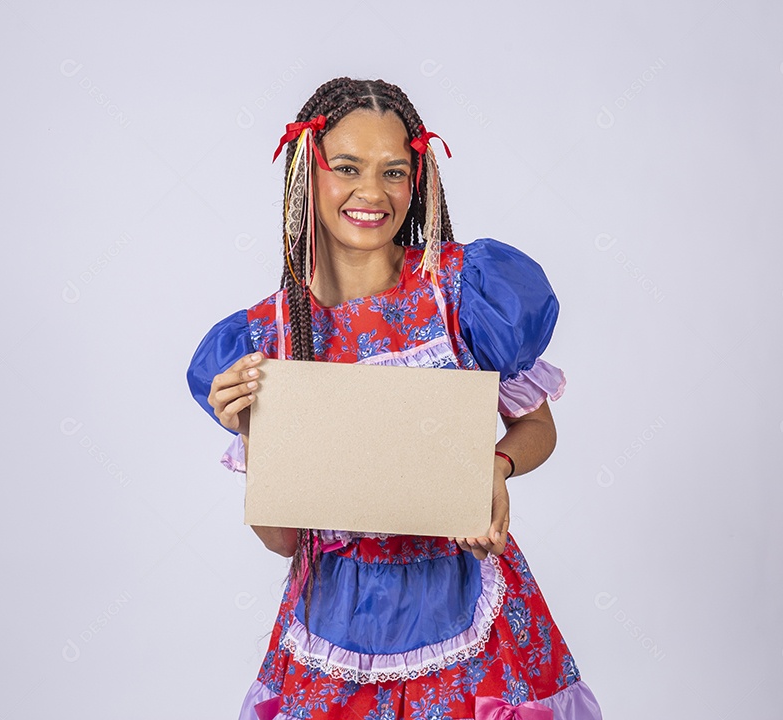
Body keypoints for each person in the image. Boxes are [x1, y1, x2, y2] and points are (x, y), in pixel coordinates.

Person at [186, 77, 603, 720]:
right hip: (334, 627)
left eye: (394, 172)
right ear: (306, 171)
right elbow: (283, 539)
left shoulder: (461, 294)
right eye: (347, 167)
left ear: (418, 182)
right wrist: (253, 434)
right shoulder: (266, 340)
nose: (372, 193)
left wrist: (492, 468)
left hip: (471, 610)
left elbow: (538, 426)